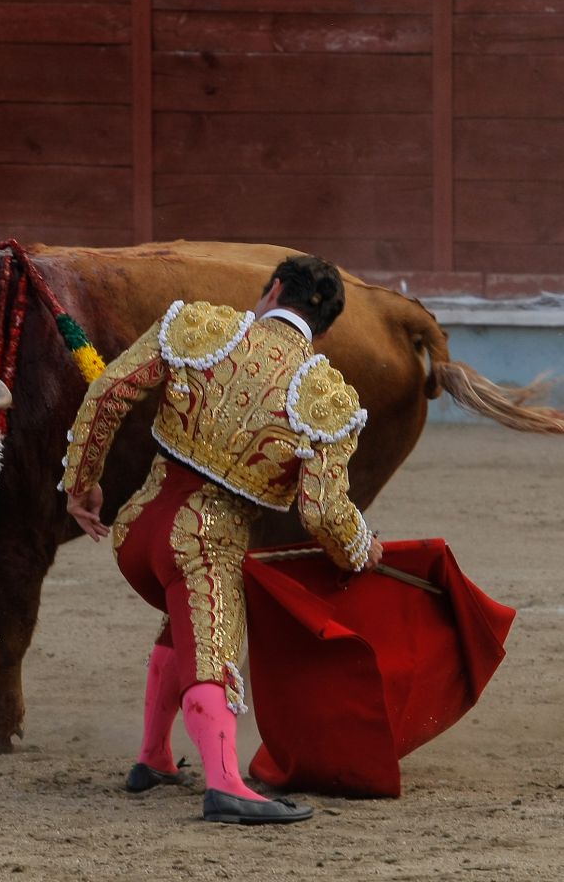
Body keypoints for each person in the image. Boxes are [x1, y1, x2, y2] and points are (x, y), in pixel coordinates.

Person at [61, 255, 383, 824]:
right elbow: (322, 511)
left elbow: (107, 392)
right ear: (325, 329)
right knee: (214, 655)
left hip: (137, 529)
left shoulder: (196, 327)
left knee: (180, 627)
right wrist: (361, 548)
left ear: (274, 289)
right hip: (205, 542)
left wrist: (81, 485)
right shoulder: (325, 396)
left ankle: (154, 756)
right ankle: (227, 784)